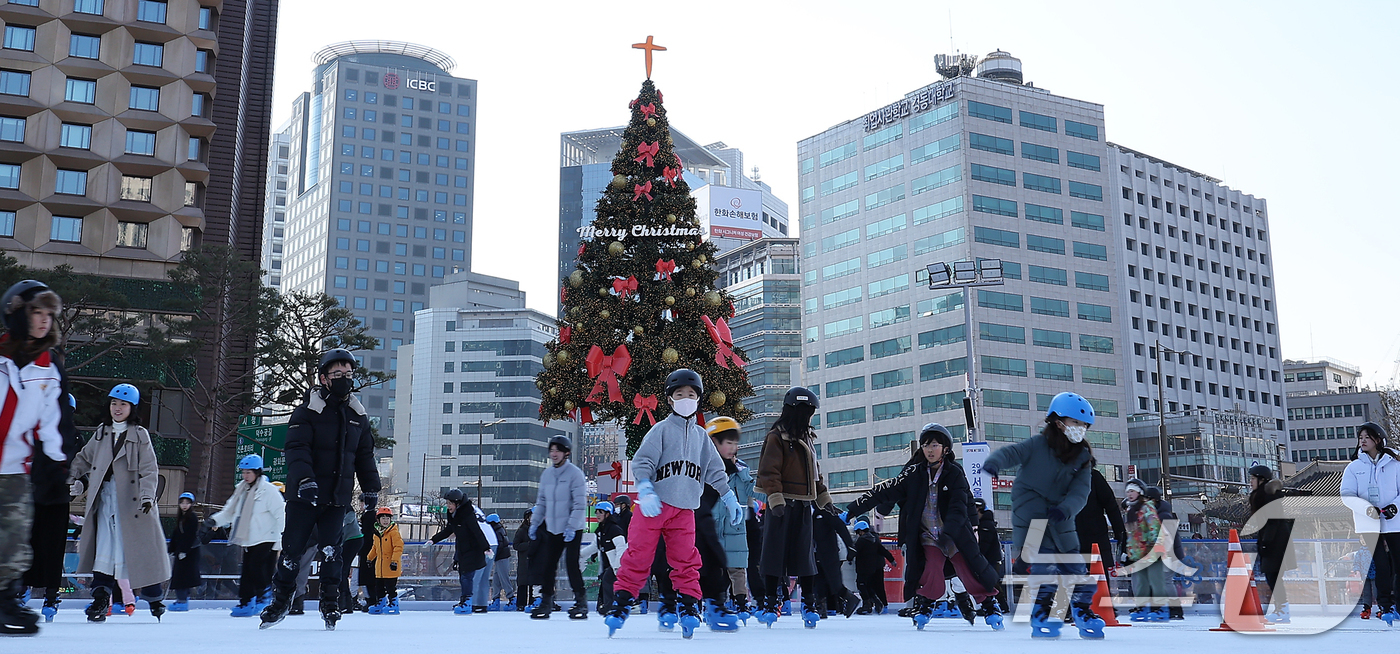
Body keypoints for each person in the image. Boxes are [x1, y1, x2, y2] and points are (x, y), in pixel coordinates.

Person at [602, 369, 744, 639]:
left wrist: (728, 496)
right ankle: (620, 603)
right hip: (653, 507)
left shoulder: (702, 437)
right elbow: (644, 461)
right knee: (638, 555)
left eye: (691, 395)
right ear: (669, 399)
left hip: (685, 510)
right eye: (680, 395)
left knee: (686, 559)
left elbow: (715, 470)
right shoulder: (661, 430)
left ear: (699, 399)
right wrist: (645, 487)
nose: (686, 399)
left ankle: (689, 606)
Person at [260, 348, 382, 631]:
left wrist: (371, 489)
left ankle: (330, 602)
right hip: (305, 495)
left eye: (349, 375)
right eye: (338, 374)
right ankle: (281, 600)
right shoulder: (307, 411)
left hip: (337, 498)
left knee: (332, 552)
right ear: (325, 378)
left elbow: (364, 456)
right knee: (292, 550)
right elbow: (296, 448)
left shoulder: (357, 416)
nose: (344, 379)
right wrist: (304, 479)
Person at [846, 423, 1002, 629]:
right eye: (926, 445)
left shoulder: (954, 473)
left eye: (935, 445)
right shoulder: (914, 473)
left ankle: (990, 605)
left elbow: (959, 506)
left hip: (955, 536)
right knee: (931, 567)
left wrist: (955, 529)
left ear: (945, 449)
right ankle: (926, 605)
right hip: (928, 535)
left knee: (968, 569)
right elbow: (885, 491)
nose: (930, 449)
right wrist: (852, 509)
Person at [982, 392, 1104, 639]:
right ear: (1058, 421)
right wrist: (994, 462)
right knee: (1045, 567)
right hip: (1032, 515)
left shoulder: (1082, 458)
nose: (1080, 429)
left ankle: (1082, 611)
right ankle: (1043, 613)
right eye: (1075, 423)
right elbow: (1011, 453)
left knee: (1077, 569)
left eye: (1084, 425)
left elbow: (1082, 491)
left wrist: (1066, 509)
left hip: (1061, 518)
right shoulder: (1037, 445)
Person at [68, 382, 170, 623]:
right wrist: (72, 476)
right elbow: (83, 458)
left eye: (123, 404)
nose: (117, 408)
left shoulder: (140, 435)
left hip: (132, 503)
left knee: (136, 551)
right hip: (104, 498)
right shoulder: (102, 432)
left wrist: (147, 496)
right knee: (104, 548)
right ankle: (101, 598)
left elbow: (149, 469)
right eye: (114, 403)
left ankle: (155, 598)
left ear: (132, 408)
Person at [754, 386, 833, 628]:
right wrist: (775, 499)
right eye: (804, 411)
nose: (808, 416)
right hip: (781, 504)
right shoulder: (777, 437)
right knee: (774, 553)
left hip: (802, 505)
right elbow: (770, 471)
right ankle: (770, 601)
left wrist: (824, 501)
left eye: (810, 411)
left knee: (805, 555)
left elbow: (814, 475)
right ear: (793, 410)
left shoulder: (806, 439)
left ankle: (808, 602)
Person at [210, 454, 286, 617]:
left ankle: (262, 597)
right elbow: (229, 511)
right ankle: (247, 601)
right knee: (247, 571)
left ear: (257, 472)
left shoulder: (269, 491)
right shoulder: (241, 490)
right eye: (243, 472)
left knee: (256, 570)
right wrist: (212, 521)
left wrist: (280, 540)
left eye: (248, 472)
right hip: (249, 538)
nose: (245, 476)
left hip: (267, 537)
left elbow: (281, 515)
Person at [1342, 422, 1400, 624]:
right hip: (1369, 524)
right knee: (1382, 566)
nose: (1363, 440)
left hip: (1395, 523)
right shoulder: (1354, 467)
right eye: (1360, 437)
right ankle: (1386, 606)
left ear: (1378, 439)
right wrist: (1367, 509)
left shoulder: (1395, 464)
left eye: (1367, 436)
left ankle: (1398, 604)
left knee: (1398, 564)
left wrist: (1394, 507)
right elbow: (1347, 495)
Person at [708, 417, 763, 621]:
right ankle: (713, 604)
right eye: (728, 443)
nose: (732, 448)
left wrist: (776, 494)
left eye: (734, 443)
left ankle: (741, 603)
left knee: (737, 568)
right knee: (713, 568)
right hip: (712, 524)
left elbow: (752, 490)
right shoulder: (706, 468)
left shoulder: (741, 469)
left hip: (735, 525)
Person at [528, 434, 589, 619]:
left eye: (558, 450)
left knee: (572, 565)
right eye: (552, 450)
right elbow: (542, 502)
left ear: (566, 453)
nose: (554, 454)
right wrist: (535, 523)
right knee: (548, 565)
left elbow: (579, 504)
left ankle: (581, 602)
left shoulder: (575, 474)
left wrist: (571, 527)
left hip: (572, 527)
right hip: (553, 527)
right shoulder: (547, 474)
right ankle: (546, 602)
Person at [1246, 465, 1296, 624]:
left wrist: (1266, 542)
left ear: (1262, 480)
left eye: (1253, 479)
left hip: (1276, 542)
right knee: (1272, 576)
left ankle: (1282, 609)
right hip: (1272, 540)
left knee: (1273, 576)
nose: (1251, 482)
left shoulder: (1267, 496)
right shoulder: (1261, 495)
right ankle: (1281, 608)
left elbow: (1273, 521)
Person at [430, 488, 491, 614]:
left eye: (450, 504)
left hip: (474, 550)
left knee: (466, 577)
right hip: (463, 549)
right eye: (447, 503)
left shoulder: (467, 515)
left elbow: (477, 532)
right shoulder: (454, 516)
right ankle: (464, 600)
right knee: (462, 576)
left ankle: (467, 602)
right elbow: (448, 530)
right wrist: (433, 540)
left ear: (457, 504)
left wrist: (486, 548)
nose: (448, 506)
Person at [1120, 479, 1167, 622]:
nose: (1129, 494)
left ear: (1139, 492)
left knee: (1155, 580)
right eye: (1128, 491)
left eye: (1132, 491)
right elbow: (1131, 534)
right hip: (1137, 552)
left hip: (1151, 550)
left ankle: (1160, 608)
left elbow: (1155, 527)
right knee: (1141, 581)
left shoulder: (1147, 507)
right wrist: (1128, 552)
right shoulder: (1130, 510)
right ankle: (1142, 607)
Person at [1076, 468, 1126, 589]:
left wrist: (1120, 532)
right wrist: (1119, 532)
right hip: (1089, 534)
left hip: (1089, 535)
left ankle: (1096, 604)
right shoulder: (1092, 476)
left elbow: (1111, 505)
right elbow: (1111, 505)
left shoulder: (1093, 476)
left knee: (1093, 576)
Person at [168, 492, 203, 611]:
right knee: (182, 576)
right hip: (183, 552)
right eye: (182, 503)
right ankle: (182, 599)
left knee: (182, 577)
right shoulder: (181, 517)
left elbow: (190, 536)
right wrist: (172, 548)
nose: (184, 505)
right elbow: (176, 534)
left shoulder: (191, 517)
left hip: (189, 552)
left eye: (187, 503)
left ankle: (182, 601)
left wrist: (184, 551)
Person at [850, 521, 894, 614]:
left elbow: (855, 550)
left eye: (858, 532)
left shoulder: (862, 540)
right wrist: (891, 559)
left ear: (861, 531)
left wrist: (848, 558)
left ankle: (868, 604)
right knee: (868, 586)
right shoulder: (874, 539)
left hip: (863, 567)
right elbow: (883, 550)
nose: (858, 534)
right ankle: (874, 602)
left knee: (861, 585)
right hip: (872, 567)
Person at [367, 507, 404, 614]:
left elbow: (398, 547)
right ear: (378, 520)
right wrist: (369, 558)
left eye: (387, 518)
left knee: (390, 587)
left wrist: (394, 561)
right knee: (379, 587)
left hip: (391, 566)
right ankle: (381, 603)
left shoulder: (393, 532)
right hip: (380, 567)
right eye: (383, 518)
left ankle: (394, 603)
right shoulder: (377, 534)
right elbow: (375, 548)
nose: (385, 520)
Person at [591, 502, 623, 616]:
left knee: (608, 579)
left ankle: (611, 606)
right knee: (606, 580)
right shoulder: (600, 530)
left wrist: (617, 565)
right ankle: (608, 605)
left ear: (608, 514)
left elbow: (621, 547)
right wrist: (580, 555)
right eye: (596, 512)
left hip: (618, 563)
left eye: (600, 512)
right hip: (608, 563)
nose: (597, 515)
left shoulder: (614, 529)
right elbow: (594, 546)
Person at [471, 503, 496, 613]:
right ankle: (482, 603)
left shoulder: (462, 511)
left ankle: (471, 603)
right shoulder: (476, 509)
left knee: (474, 576)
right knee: (484, 577)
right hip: (493, 542)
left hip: (482, 543)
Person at [486, 513, 514, 610]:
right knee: (496, 580)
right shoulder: (500, 530)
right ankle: (496, 600)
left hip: (501, 557)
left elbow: (499, 545)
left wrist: (492, 554)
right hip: (500, 558)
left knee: (503, 578)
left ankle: (511, 598)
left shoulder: (497, 532)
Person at [512, 508, 535, 611]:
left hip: (535, 561)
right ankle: (521, 604)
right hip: (524, 562)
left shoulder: (539, 530)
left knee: (534, 584)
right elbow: (516, 545)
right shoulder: (522, 530)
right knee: (523, 583)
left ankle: (533, 602)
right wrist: (528, 545)